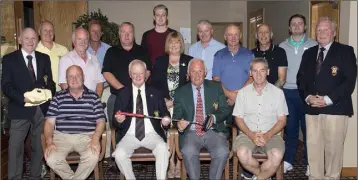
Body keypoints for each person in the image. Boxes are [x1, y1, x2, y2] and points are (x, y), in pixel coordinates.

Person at [297, 17, 357, 180]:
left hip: (336, 109)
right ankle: (315, 177)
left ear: (334, 32)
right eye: (318, 30)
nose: (321, 33)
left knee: (333, 151)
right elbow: (300, 79)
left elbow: (349, 82)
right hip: (312, 109)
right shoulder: (308, 53)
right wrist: (308, 97)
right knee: (314, 149)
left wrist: (328, 99)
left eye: (326, 29)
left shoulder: (346, 51)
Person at [1, 27, 55, 180]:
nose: (31, 42)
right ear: (20, 40)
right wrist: (23, 98)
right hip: (20, 109)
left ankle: (36, 176)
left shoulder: (44, 58)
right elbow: (6, 85)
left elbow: (50, 83)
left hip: (40, 110)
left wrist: (47, 93)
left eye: (33, 38)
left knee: (38, 146)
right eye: (27, 38)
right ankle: (14, 177)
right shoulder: (9, 59)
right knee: (15, 148)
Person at [112, 60, 171, 180]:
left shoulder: (156, 92)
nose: (138, 76)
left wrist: (165, 121)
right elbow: (114, 121)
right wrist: (119, 120)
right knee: (118, 154)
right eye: (134, 73)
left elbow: (165, 114)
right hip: (129, 134)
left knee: (163, 149)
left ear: (146, 74)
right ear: (130, 75)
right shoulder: (122, 94)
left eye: (141, 73)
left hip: (152, 134)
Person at [44, 65, 106, 179]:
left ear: (83, 77)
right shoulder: (58, 97)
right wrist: (49, 141)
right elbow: (49, 123)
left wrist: (96, 138)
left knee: (92, 156)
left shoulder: (94, 97)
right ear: (66, 80)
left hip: (86, 136)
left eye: (77, 75)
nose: (74, 79)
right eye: (70, 76)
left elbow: (101, 121)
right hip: (61, 137)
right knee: (51, 158)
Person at [173, 59, 230, 180]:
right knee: (188, 151)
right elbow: (176, 117)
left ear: (205, 72)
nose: (197, 75)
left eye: (200, 71)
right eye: (193, 71)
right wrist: (179, 124)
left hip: (213, 131)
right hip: (191, 132)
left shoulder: (216, 87)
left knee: (222, 151)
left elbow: (225, 110)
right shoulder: (180, 92)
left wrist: (214, 118)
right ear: (188, 74)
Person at [233, 57, 288, 180]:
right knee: (242, 153)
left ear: (267, 72)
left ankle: (256, 178)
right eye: (255, 71)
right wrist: (251, 135)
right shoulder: (242, 93)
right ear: (250, 73)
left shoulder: (278, 93)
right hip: (247, 134)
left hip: (272, 134)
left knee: (277, 155)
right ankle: (264, 176)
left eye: (262, 70)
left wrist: (267, 135)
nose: (258, 75)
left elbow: (282, 120)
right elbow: (238, 118)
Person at [151, 31, 192, 178]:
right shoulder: (160, 61)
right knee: (168, 134)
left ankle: (180, 163)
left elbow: (191, 85)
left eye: (177, 42)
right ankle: (171, 164)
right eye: (171, 42)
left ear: (181, 44)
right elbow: (154, 85)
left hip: (183, 104)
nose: (174, 45)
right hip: (165, 104)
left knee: (180, 132)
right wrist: (164, 99)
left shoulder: (188, 61)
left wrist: (178, 101)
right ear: (167, 44)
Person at [279, 14, 317, 175]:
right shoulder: (282, 46)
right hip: (288, 92)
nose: (296, 26)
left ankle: (310, 162)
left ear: (305, 27)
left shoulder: (314, 45)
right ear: (289, 28)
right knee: (291, 129)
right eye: (293, 24)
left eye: (300, 23)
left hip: (307, 93)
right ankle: (288, 160)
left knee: (309, 129)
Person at [102, 22, 152, 129]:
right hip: (117, 95)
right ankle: (115, 145)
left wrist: (137, 87)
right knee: (116, 128)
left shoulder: (142, 51)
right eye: (123, 32)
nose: (127, 35)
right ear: (119, 34)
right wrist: (123, 89)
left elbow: (147, 71)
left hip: (140, 96)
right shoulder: (111, 51)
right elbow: (106, 72)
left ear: (133, 34)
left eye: (129, 32)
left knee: (140, 128)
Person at [212, 24, 254, 124]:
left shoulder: (249, 54)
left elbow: (252, 77)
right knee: (224, 131)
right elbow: (216, 79)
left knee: (243, 130)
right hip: (224, 99)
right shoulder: (219, 55)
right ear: (225, 37)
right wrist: (230, 95)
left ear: (240, 36)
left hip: (245, 98)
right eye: (230, 35)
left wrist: (238, 95)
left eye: (236, 34)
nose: (233, 38)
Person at [58, 28, 105, 98]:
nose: (83, 42)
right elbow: (64, 85)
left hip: (93, 102)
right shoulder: (65, 59)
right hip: (74, 103)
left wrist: (96, 100)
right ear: (74, 41)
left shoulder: (94, 58)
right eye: (79, 39)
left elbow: (100, 82)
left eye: (85, 39)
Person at [36, 20, 69, 91]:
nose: (48, 33)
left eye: (51, 30)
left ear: (54, 33)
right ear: (39, 32)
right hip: (41, 94)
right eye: (45, 30)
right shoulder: (34, 51)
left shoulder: (63, 50)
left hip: (61, 92)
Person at [252, 23, 287, 88]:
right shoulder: (251, 54)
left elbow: (282, 79)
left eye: (266, 32)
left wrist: (270, 93)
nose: (263, 35)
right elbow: (250, 77)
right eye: (260, 32)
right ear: (256, 36)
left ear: (271, 35)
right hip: (255, 93)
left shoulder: (280, 52)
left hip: (275, 93)